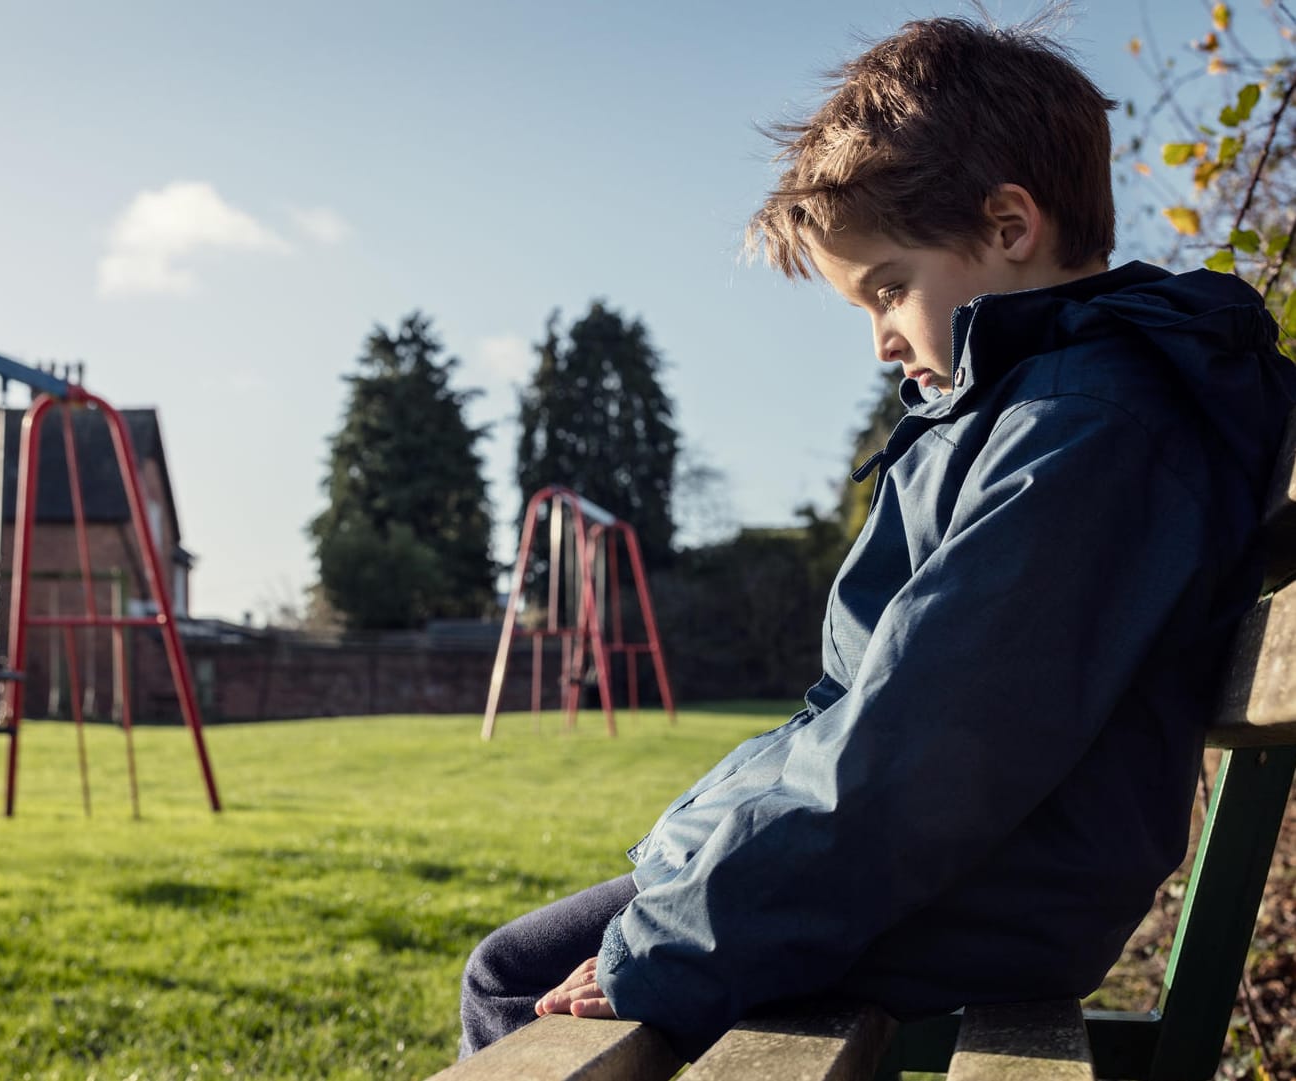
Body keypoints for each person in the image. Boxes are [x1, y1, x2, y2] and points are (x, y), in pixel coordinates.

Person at [458, 14, 1296, 1061]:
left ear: (1007, 225)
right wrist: (701, 851)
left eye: (890, 287)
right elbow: (877, 711)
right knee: (534, 960)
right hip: (956, 870)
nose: (881, 339)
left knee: (518, 982)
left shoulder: (1085, 431)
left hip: (978, 888)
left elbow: (930, 744)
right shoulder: (1024, 415)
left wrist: (669, 945)